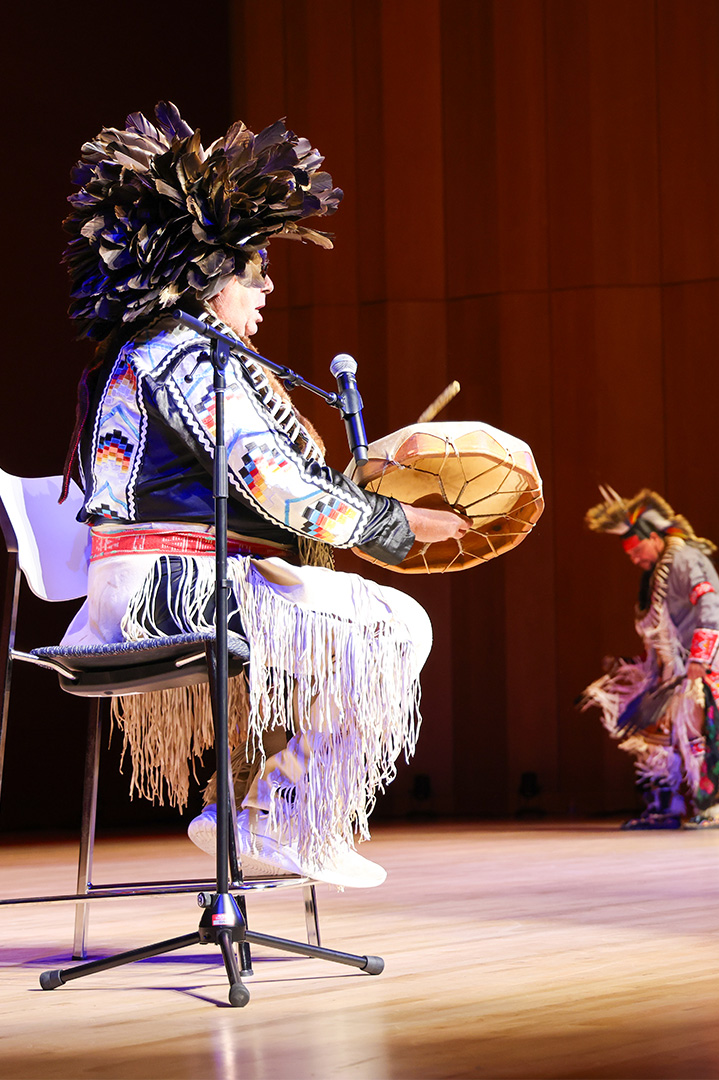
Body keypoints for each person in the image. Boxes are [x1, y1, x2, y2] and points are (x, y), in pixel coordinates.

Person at [58, 102, 468, 887]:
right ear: (212, 278)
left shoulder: (156, 352)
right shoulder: (185, 358)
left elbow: (258, 486)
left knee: (342, 617)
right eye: (256, 271)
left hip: (149, 586)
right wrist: (392, 521)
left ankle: (248, 809)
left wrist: (357, 486)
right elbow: (274, 486)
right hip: (170, 594)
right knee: (396, 625)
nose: (268, 287)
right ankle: (282, 814)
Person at [580, 488, 719, 829]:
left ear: (653, 537)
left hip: (706, 660)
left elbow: (709, 607)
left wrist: (699, 659)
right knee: (654, 738)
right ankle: (665, 807)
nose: (634, 559)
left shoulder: (685, 560)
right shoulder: (659, 570)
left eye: (636, 551)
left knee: (702, 733)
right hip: (674, 666)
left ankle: (714, 805)